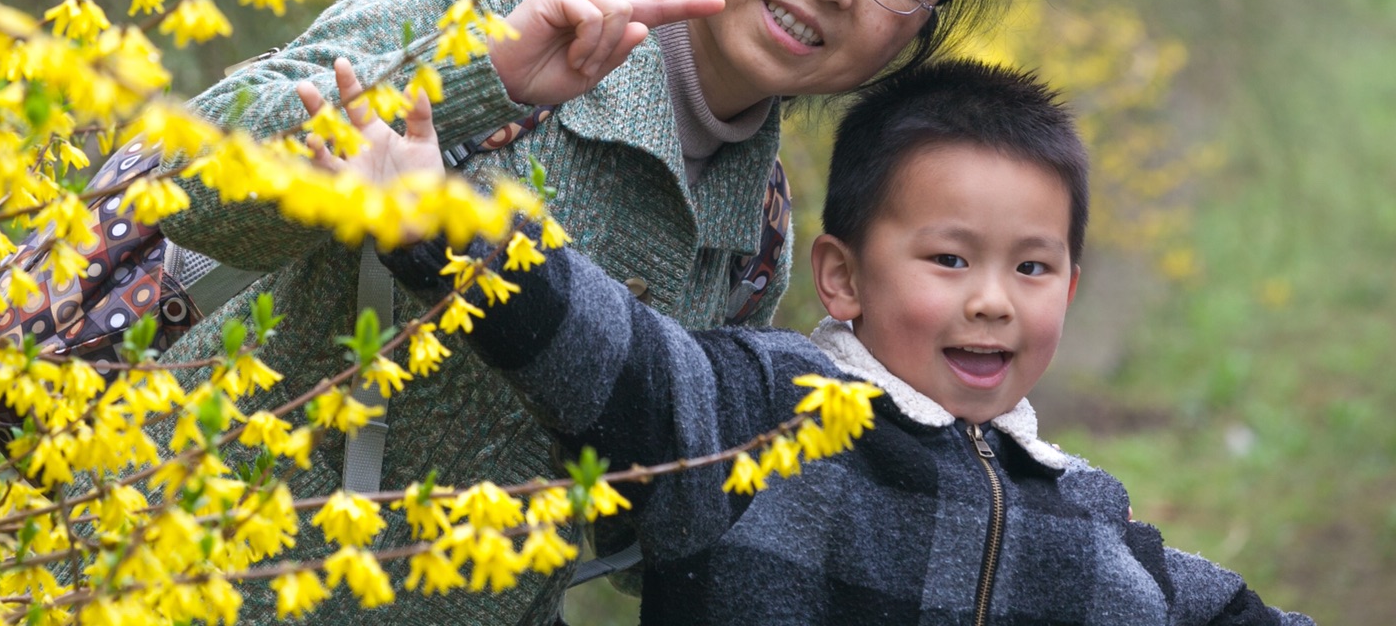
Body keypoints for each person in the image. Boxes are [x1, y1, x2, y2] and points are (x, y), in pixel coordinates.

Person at [156, 0, 1018, 624]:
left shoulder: (754, 245)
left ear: (912, 38)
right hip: (160, 574)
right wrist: (480, 72)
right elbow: (186, 180)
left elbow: (649, 526)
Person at [354, 59, 1314, 626]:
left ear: (1070, 284)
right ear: (842, 276)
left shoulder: (1085, 516)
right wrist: (448, 232)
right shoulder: (759, 418)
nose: (993, 303)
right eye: (947, 259)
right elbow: (609, 350)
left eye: (1032, 269)